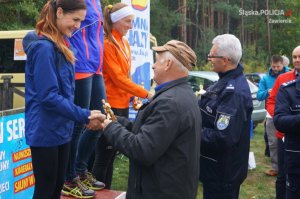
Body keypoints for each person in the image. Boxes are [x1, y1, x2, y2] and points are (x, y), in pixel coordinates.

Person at [23, 0, 105, 198]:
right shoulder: (43, 48)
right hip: (45, 131)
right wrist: (84, 115)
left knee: (57, 187)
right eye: (75, 19)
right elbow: (49, 97)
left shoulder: (62, 46)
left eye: (81, 21)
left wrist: (83, 115)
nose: (77, 26)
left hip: (62, 131)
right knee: (45, 189)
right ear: (59, 12)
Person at [100, 39, 201, 198]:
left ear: (167, 64)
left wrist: (110, 127)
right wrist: (116, 121)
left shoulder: (170, 103)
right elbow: (152, 133)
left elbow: (142, 149)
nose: (153, 66)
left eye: (157, 62)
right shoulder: (181, 94)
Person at [91, 3, 152, 189]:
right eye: (128, 21)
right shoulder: (107, 44)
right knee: (104, 155)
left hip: (122, 105)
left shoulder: (124, 42)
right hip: (109, 104)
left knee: (112, 153)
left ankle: (106, 190)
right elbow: (117, 79)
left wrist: (133, 96)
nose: (131, 26)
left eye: (132, 21)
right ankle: (100, 191)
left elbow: (127, 74)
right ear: (116, 21)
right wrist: (146, 93)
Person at [198, 34, 253, 199]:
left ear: (225, 60)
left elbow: (223, 137)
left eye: (212, 55)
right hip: (216, 170)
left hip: (222, 174)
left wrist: (192, 130)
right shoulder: (223, 82)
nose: (209, 58)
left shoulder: (233, 93)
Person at [63, 0, 106, 197]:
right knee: (79, 123)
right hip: (80, 63)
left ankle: (80, 169)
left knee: (101, 118)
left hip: (96, 66)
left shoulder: (96, 2)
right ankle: (69, 177)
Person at [267, 46, 300, 199]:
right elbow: (272, 101)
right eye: (294, 57)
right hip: (284, 134)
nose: (297, 60)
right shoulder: (283, 78)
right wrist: (281, 115)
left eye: (299, 57)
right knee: (282, 174)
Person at [257, 55, 289, 176]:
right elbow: (259, 96)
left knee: (289, 140)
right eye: (273, 66)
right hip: (271, 115)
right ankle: (275, 168)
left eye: (278, 66)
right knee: (273, 142)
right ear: (271, 64)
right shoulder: (265, 78)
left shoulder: (290, 75)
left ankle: (289, 166)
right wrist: (268, 92)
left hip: (287, 114)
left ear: (282, 65)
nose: (276, 68)